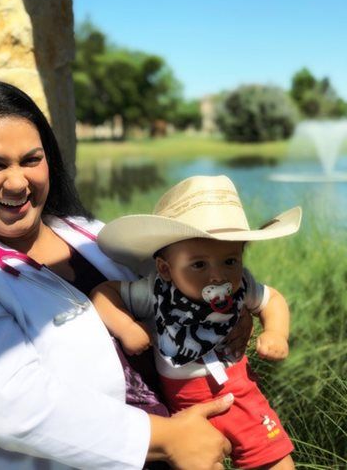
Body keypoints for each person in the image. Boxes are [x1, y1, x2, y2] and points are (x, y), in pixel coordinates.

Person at [0, 80, 239, 470]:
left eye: (31, 160)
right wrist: (167, 438)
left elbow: (175, 291)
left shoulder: (90, 233)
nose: (17, 183)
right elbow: (5, 401)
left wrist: (234, 314)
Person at [91, 175, 302, 469]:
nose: (217, 276)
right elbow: (104, 293)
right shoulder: (155, 292)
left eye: (230, 261)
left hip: (240, 391)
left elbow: (273, 300)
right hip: (186, 402)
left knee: (273, 458)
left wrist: (276, 333)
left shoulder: (243, 285)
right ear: (165, 269)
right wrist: (126, 327)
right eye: (199, 264)